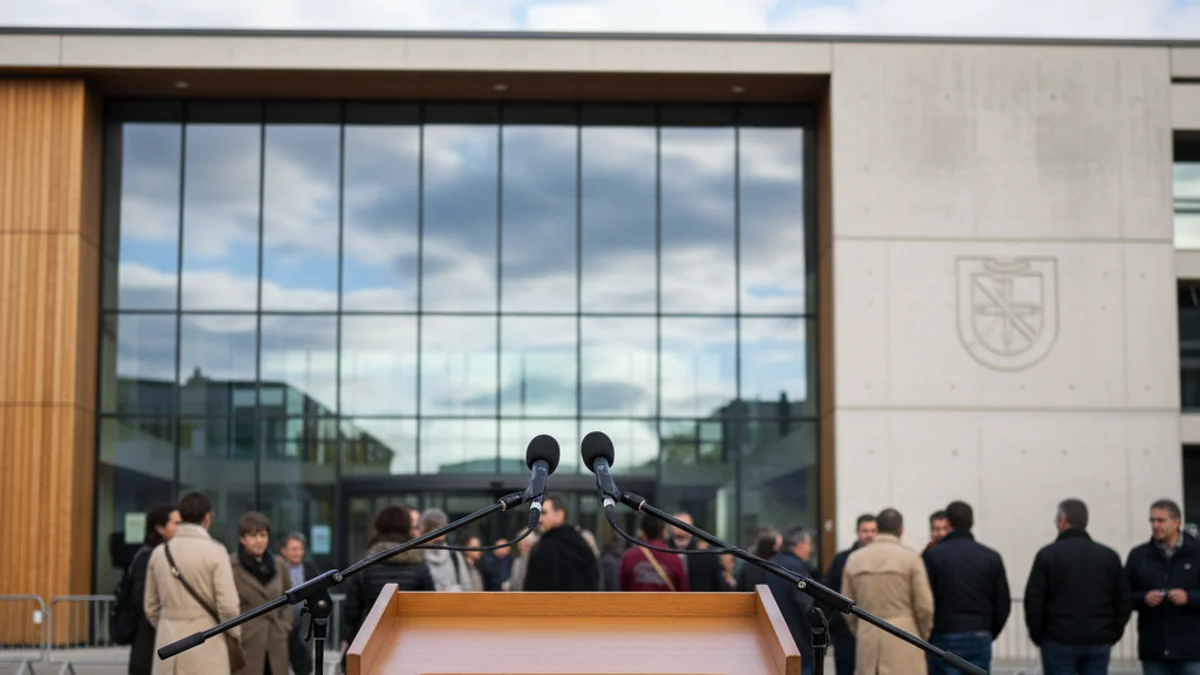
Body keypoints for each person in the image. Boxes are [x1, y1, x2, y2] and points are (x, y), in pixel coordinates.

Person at [1023, 498, 1131, 675]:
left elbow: (1034, 600)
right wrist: (1112, 633)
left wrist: (1038, 635)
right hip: (1098, 638)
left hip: (1057, 640)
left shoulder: (1048, 555)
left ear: (1063, 520)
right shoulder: (1109, 556)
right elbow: (1123, 600)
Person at [144, 492, 241, 675]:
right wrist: (234, 633)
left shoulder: (159, 553)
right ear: (207, 516)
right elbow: (228, 606)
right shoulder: (216, 551)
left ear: (181, 516)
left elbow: (150, 607)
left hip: (167, 643)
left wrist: (168, 623)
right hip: (207, 639)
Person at [922, 501, 1010, 675]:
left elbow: (925, 599)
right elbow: (1002, 602)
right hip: (980, 633)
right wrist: (989, 630)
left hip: (944, 633)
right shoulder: (991, 557)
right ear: (972, 522)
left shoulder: (933, 556)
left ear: (947, 523)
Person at [842, 508, 934, 675]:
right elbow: (924, 606)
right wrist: (921, 634)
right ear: (901, 529)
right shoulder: (911, 558)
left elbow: (846, 605)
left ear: (878, 527)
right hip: (905, 636)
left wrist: (861, 629)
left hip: (868, 638)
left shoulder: (855, 559)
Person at [1125, 498, 1200, 674]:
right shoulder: (1139, 556)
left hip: (1192, 652)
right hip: (1154, 651)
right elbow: (1123, 595)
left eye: (1161, 520)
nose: (1155, 525)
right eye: (1152, 520)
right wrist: (1143, 598)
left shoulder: (1197, 553)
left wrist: (1189, 597)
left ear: (1177, 522)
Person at [343, 505, 435, 644]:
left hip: (372, 641)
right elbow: (430, 607)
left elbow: (351, 614)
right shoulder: (419, 565)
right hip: (410, 641)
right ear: (407, 527)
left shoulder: (365, 566)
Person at [228, 512, 292, 675]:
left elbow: (289, 599)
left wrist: (284, 626)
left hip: (276, 639)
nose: (259, 540)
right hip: (248, 641)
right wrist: (239, 632)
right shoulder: (231, 565)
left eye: (263, 535)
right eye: (253, 535)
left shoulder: (279, 564)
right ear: (243, 539)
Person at [127, 504, 181, 675]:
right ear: (159, 528)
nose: (181, 528)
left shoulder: (169, 554)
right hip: (148, 641)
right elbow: (142, 600)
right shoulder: (148, 557)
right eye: (176, 523)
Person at [821, 514, 877, 675]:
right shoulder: (842, 559)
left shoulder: (883, 558)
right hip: (846, 631)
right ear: (857, 532)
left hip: (876, 629)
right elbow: (828, 591)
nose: (869, 535)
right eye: (865, 530)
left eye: (873, 530)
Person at [765, 525, 818, 675]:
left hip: (775, 639)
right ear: (798, 544)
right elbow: (805, 604)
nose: (810, 549)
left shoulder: (772, 563)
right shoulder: (797, 567)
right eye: (808, 544)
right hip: (798, 642)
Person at [524, 493, 600, 591]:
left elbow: (536, 588)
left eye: (544, 513)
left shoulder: (547, 546)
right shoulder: (581, 544)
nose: (540, 519)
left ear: (560, 515)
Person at [278, 533, 319, 675]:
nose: (298, 553)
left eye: (300, 549)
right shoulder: (278, 568)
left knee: (303, 659)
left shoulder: (310, 569)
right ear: (284, 551)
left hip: (304, 621)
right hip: (282, 621)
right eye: (294, 549)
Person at [619, 516, 688, 592]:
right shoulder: (674, 558)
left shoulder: (629, 557)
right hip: (666, 603)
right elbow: (683, 591)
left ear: (642, 532)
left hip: (637, 603)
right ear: (663, 533)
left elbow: (624, 589)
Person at [419, 508, 474, 591]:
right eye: (434, 530)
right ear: (424, 530)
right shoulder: (418, 556)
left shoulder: (454, 555)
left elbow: (467, 587)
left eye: (442, 529)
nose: (440, 535)